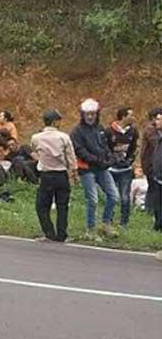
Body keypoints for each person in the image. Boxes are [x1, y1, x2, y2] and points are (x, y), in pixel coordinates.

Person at [71, 98, 119, 237]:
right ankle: (90, 229)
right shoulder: (77, 132)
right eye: (87, 114)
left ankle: (105, 224)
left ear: (97, 114)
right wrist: (97, 160)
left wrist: (110, 158)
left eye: (93, 114)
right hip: (87, 169)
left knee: (114, 196)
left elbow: (105, 146)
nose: (90, 117)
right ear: (83, 114)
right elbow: (80, 151)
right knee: (93, 200)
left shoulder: (100, 128)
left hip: (102, 168)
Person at [31, 109, 77, 242]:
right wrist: (74, 174)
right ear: (55, 122)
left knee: (42, 206)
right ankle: (62, 234)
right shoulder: (64, 137)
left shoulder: (36, 137)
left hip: (46, 175)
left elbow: (34, 151)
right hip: (61, 175)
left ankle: (49, 233)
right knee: (62, 205)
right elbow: (71, 158)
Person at [105, 106, 139, 228]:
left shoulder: (133, 131)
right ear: (123, 116)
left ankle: (124, 223)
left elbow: (135, 147)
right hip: (111, 169)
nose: (133, 117)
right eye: (130, 115)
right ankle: (108, 220)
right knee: (112, 196)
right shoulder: (109, 131)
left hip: (126, 169)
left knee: (125, 197)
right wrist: (111, 160)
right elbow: (105, 148)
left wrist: (130, 160)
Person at [141, 107, 162, 213]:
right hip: (150, 164)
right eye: (157, 118)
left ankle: (149, 208)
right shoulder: (151, 129)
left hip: (153, 163)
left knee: (153, 188)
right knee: (154, 187)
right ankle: (151, 209)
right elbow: (155, 144)